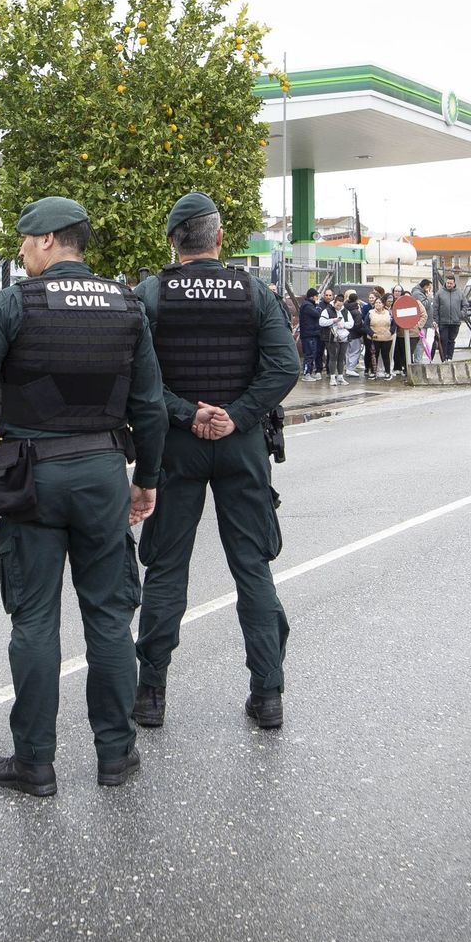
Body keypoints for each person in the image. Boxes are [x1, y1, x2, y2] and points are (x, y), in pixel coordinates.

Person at [0, 196, 167, 797]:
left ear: (46, 242)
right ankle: (116, 755)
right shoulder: (126, 304)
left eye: (23, 240)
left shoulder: (17, 303)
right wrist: (147, 479)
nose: (19, 251)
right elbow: (149, 406)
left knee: (35, 620)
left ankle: (34, 763)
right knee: (109, 619)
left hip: (32, 478)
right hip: (101, 472)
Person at [132, 192, 298, 732]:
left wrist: (186, 413)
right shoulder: (253, 292)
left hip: (174, 445)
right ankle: (267, 694)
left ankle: (150, 694)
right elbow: (284, 367)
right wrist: (237, 415)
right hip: (241, 444)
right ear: (221, 239)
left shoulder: (151, 295)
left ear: (173, 242)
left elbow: (140, 378)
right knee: (252, 567)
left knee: (167, 568)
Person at [432, 274, 470, 361]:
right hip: (443, 322)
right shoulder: (440, 293)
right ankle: (444, 357)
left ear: (454, 283)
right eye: (448, 283)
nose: (449, 285)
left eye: (451, 283)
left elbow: (465, 305)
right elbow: (435, 307)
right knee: (443, 340)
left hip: (455, 321)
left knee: (451, 340)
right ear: (445, 282)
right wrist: (435, 320)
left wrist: (461, 314)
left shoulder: (459, 293)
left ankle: (450, 357)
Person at [318, 291, 351, 385]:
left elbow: (351, 323)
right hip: (331, 337)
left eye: (341, 305)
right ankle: (332, 377)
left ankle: (340, 376)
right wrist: (333, 321)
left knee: (341, 357)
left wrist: (343, 324)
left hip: (343, 337)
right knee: (333, 357)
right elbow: (321, 322)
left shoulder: (346, 311)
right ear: (334, 302)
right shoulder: (327, 310)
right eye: (337, 305)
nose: (339, 307)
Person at [366, 287, 394, 378]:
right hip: (374, 338)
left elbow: (394, 324)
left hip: (387, 338)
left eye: (380, 303)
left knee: (386, 356)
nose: (378, 304)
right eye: (376, 302)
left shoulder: (388, 313)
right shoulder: (370, 313)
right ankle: (373, 372)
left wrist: (391, 332)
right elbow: (365, 325)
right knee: (374, 355)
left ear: (383, 304)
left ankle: (387, 372)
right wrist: (371, 333)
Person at [297, 287, 322, 381]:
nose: (317, 298)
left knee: (313, 353)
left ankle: (310, 372)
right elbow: (317, 314)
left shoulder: (308, 305)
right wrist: (318, 306)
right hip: (309, 334)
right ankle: (306, 373)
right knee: (309, 354)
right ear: (312, 296)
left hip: (312, 333)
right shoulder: (307, 306)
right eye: (316, 296)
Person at [408, 278, 433, 363]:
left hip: (424, 323)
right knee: (420, 343)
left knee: (421, 343)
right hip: (421, 324)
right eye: (429, 287)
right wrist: (429, 297)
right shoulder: (417, 293)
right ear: (426, 286)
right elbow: (424, 306)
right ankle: (418, 361)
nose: (430, 289)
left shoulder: (421, 293)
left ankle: (418, 360)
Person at [342, 290, 364, 377]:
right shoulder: (356, 311)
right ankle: (351, 369)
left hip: (344, 334)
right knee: (355, 351)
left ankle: (347, 367)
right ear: (357, 300)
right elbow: (358, 325)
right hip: (355, 335)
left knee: (346, 352)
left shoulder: (344, 309)